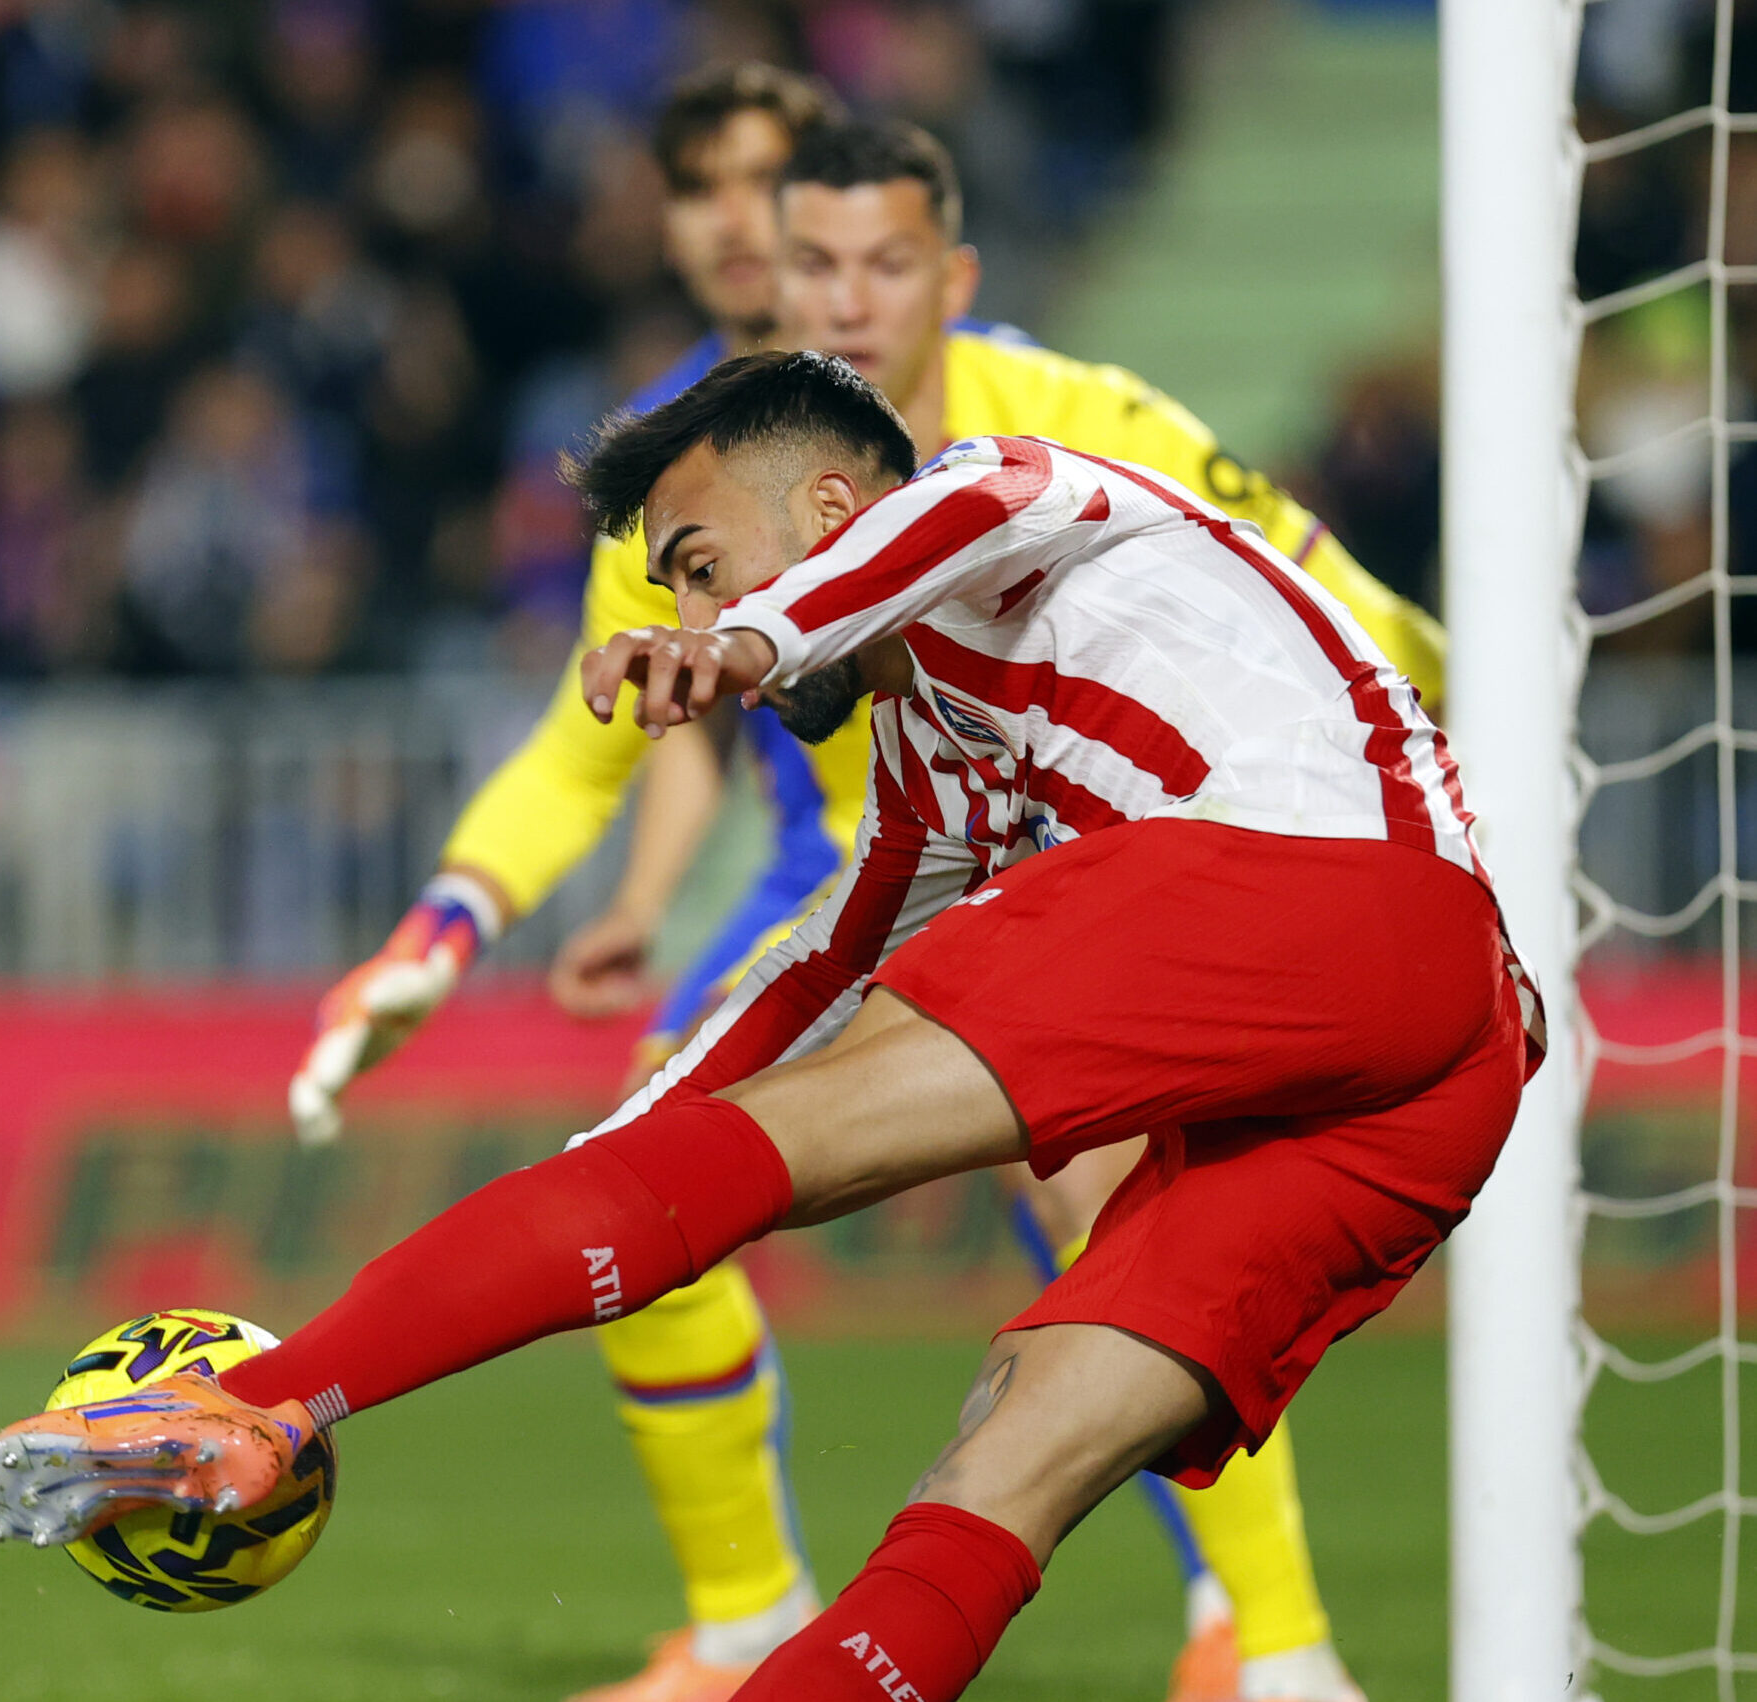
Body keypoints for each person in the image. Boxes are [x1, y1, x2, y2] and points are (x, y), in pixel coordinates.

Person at [0, 352, 1538, 1702]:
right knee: (1011, 1450)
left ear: (834, 519)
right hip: (1448, 1063)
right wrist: (607, 1170)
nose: (690, 600)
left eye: (700, 558)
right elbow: (801, 987)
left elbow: (956, 513)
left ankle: (251, 1400)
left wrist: (744, 643)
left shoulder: (1008, 494)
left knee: (790, 1152)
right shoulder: (939, 768)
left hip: (1318, 896)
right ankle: (276, 1408)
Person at [292, 101, 1445, 1702]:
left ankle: (1266, 1643)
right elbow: (596, 735)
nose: (837, 293)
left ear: (947, 275)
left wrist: (1448, 764)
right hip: (894, 839)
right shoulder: (694, 459)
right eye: (791, 246)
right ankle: (752, 1615)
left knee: (1080, 1191)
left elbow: (1306, 589)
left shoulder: (1043, 425)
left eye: (881, 261)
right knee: (692, 1186)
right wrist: (455, 923)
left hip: (1144, 856)